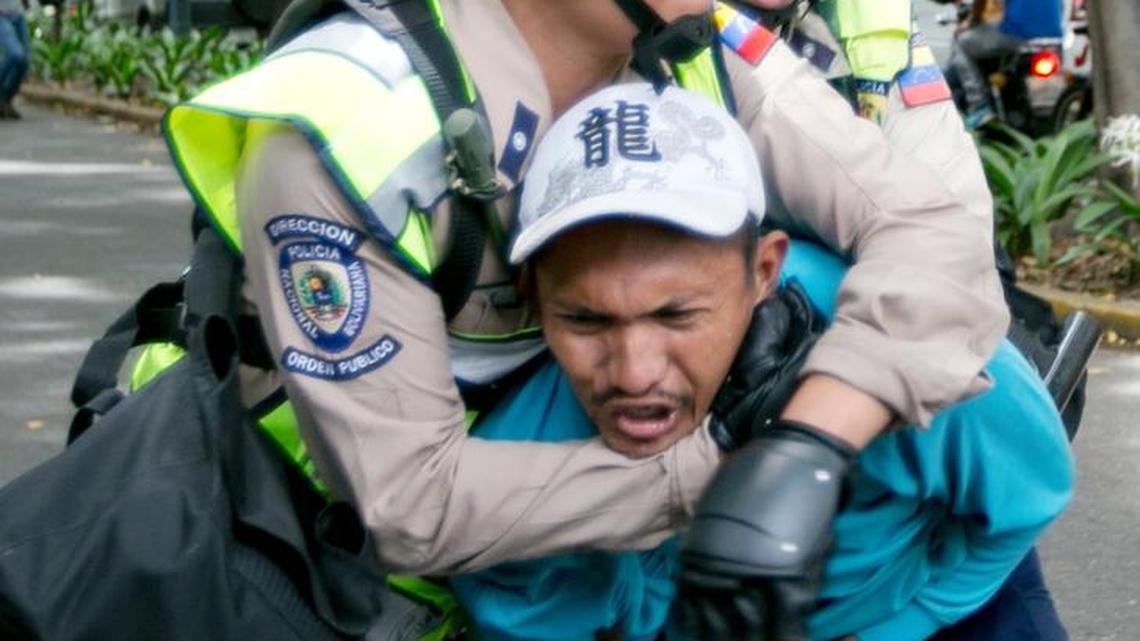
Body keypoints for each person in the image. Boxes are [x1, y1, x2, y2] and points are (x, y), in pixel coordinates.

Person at [158, 0, 1009, 633]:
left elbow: (925, 224)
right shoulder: (350, 118)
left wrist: (810, 444)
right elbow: (409, 505)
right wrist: (721, 468)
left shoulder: (693, 41)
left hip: (575, 562)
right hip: (323, 575)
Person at [450, 82, 1073, 641]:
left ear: (764, 272)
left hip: (943, 600)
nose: (634, 375)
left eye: (676, 316)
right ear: (533, 297)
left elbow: (1032, 495)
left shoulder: (902, 339)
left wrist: (903, 630)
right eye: (585, 320)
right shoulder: (511, 472)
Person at [941, 0, 1064, 128]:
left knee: (961, 42)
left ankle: (979, 106)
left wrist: (972, 21)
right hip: (1054, 36)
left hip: (1016, 35)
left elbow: (980, 4)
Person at [0, 0, 28, 119]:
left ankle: (5, 100)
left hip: (18, 15)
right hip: (2, 15)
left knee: (24, 62)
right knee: (16, 54)